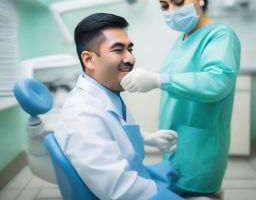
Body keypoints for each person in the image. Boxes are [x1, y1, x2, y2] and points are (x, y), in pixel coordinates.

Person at [121, 0, 241, 199]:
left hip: (201, 146)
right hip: (175, 143)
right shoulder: (183, 39)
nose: (171, 11)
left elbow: (217, 82)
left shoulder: (220, 36)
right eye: (164, 6)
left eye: (178, 1)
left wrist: (158, 80)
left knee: (200, 192)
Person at [54, 13, 184, 200]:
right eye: (118, 50)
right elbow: (123, 191)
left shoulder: (106, 93)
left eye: (130, 49)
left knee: (177, 172)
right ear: (89, 59)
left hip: (135, 172)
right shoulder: (82, 116)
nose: (130, 59)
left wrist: (148, 138)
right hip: (130, 190)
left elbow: (113, 131)